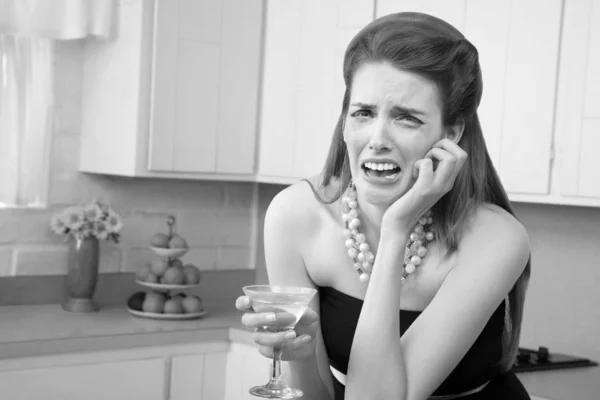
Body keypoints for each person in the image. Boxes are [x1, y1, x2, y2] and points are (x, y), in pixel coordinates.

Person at [236, 11, 532, 400]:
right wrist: (304, 354)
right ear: (344, 122)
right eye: (363, 113)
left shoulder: (496, 238)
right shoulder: (295, 216)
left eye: (406, 118)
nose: (377, 138)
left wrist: (396, 230)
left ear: (451, 134)